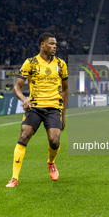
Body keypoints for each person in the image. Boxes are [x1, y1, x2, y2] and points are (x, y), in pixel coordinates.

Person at [6, 32, 69, 188]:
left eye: (56, 44)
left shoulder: (61, 64)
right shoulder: (30, 63)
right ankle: (14, 178)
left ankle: (51, 162)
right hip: (34, 107)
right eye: (52, 44)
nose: (55, 47)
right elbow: (16, 87)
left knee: (54, 140)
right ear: (43, 45)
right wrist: (24, 99)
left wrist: (63, 114)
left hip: (54, 107)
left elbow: (66, 90)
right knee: (24, 134)